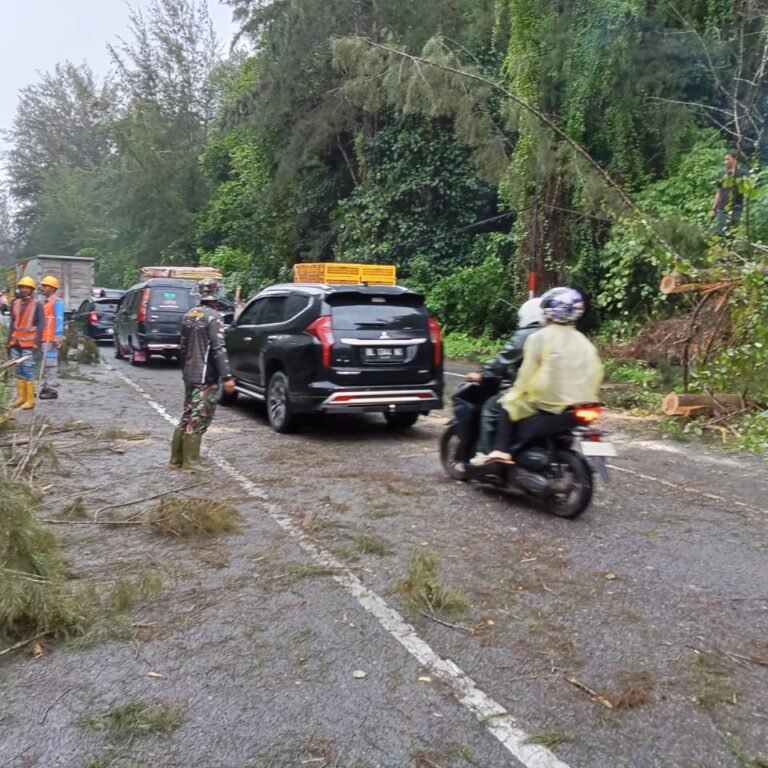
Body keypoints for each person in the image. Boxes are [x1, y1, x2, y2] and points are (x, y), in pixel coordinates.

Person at [473, 287, 603, 465]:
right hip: (583, 402)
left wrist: (516, 392)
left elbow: (527, 373)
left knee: (507, 405)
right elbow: (596, 371)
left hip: (549, 401)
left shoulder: (539, 337)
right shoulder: (584, 341)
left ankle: (500, 451)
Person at [465, 298, 545, 461]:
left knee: (490, 408)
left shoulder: (527, 335)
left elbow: (504, 359)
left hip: (532, 391)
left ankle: (485, 455)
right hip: (558, 392)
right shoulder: (555, 333)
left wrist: (483, 373)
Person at [170, 278, 236, 472]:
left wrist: (184, 370)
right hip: (205, 376)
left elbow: (182, 346)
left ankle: (176, 458)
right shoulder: (214, 317)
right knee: (199, 416)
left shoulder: (189, 315)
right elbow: (218, 348)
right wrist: (227, 377)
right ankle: (191, 461)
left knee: (187, 413)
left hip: (189, 373)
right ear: (216, 296)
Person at [7, 276, 44, 410]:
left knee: (28, 369)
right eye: (22, 287)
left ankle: (30, 400)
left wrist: (37, 342)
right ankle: (21, 397)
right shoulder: (15, 303)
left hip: (29, 343)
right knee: (18, 370)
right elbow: (12, 323)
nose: (24, 290)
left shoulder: (37, 304)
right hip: (15, 342)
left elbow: (41, 324)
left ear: (32, 290)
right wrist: (9, 341)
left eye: (27, 288)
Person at [710, 149, 749, 236]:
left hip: (736, 209)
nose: (725, 162)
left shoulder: (744, 173)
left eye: (728, 159)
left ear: (735, 159)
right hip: (721, 209)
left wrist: (734, 174)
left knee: (732, 235)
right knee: (719, 234)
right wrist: (713, 209)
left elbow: (746, 189)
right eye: (725, 159)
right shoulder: (722, 173)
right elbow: (719, 192)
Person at [38, 275, 66, 400]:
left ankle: (52, 389)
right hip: (44, 337)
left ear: (52, 288)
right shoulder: (45, 302)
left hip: (51, 338)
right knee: (45, 364)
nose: (42, 288)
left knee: (50, 364)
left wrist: (58, 335)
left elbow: (59, 319)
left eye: (45, 286)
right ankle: (45, 387)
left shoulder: (57, 302)